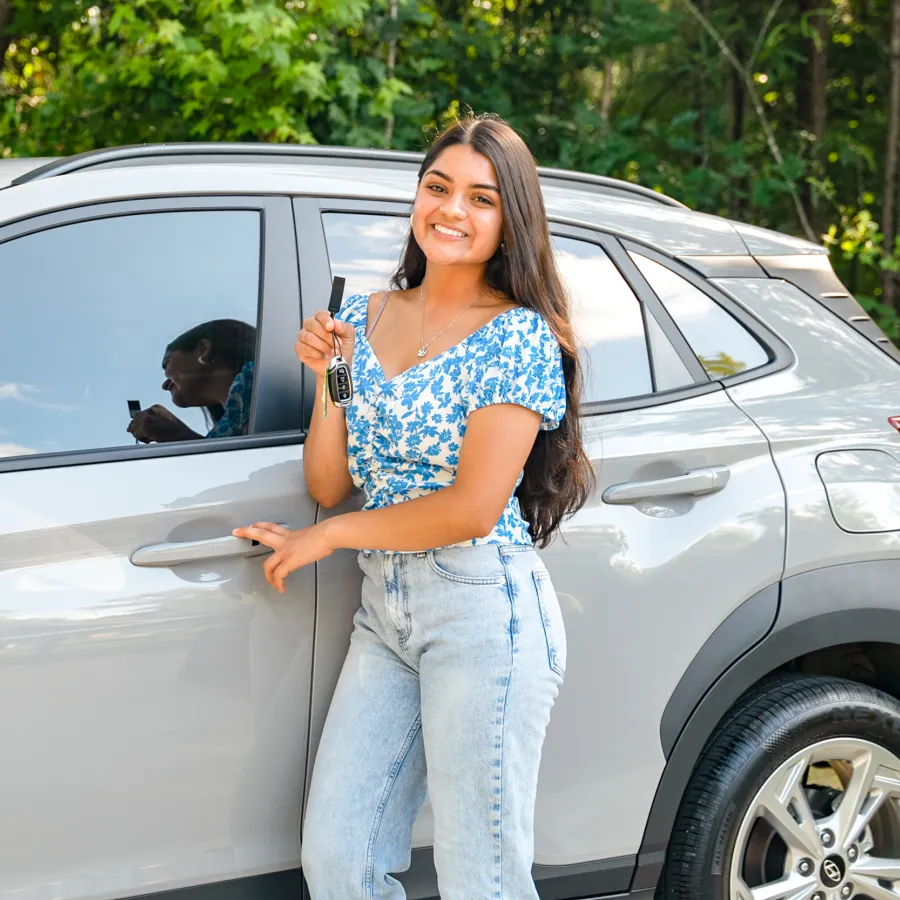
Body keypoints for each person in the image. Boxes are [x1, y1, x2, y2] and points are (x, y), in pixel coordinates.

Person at [234, 114, 594, 899]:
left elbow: (470, 507)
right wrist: (334, 375)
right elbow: (330, 481)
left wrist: (328, 538)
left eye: (481, 198)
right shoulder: (367, 316)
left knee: (482, 880)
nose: (451, 211)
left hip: (482, 612)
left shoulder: (518, 338)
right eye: (438, 187)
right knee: (339, 861)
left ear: (510, 223)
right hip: (387, 613)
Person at [127, 319, 256, 443]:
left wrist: (178, 435)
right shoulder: (233, 420)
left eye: (167, 362)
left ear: (203, 349)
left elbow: (251, 457)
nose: (165, 385)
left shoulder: (253, 378)